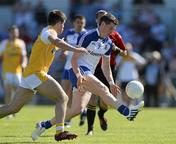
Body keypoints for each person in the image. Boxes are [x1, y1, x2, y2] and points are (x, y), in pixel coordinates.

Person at [31, 13, 144, 141]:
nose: (112, 31)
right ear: (102, 24)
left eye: (114, 29)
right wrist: (79, 75)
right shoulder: (88, 36)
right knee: (102, 89)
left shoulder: (108, 42)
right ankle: (127, 112)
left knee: (77, 109)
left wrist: (111, 82)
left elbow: (105, 66)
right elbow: (74, 60)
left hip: (88, 73)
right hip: (77, 71)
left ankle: (44, 125)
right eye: (110, 28)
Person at [0, 10, 88, 142]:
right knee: (62, 98)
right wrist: (76, 49)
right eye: (63, 24)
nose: (63, 27)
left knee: (14, 108)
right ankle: (60, 132)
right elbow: (56, 41)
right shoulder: (49, 32)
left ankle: (59, 131)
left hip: (30, 74)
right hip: (36, 73)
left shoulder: (51, 33)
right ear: (58, 23)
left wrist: (76, 47)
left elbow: (58, 44)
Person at [86, 10, 127, 136]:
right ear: (98, 21)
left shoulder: (115, 35)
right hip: (94, 68)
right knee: (92, 98)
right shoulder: (92, 35)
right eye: (100, 18)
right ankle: (90, 129)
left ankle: (101, 114)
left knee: (105, 100)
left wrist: (115, 49)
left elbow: (124, 53)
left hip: (109, 68)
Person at [61, 14, 87, 127]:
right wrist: (64, 53)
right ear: (74, 23)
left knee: (73, 93)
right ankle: (70, 116)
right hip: (67, 66)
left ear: (84, 23)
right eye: (78, 22)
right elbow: (64, 47)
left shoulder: (86, 34)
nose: (80, 24)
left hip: (77, 68)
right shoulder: (69, 33)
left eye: (82, 22)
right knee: (64, 94)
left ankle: (70, 118)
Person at [0, 25, 27, 119]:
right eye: (13, 32)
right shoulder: (4, 43)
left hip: (18, 71)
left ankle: (14, 109)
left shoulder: (21, 43)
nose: (15, 34)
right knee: (8, 91)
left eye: (16, 32)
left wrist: (24, 64)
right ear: (9, 33)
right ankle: (9, 112)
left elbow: (23, 56)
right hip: (7, 71)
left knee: (18, 91)